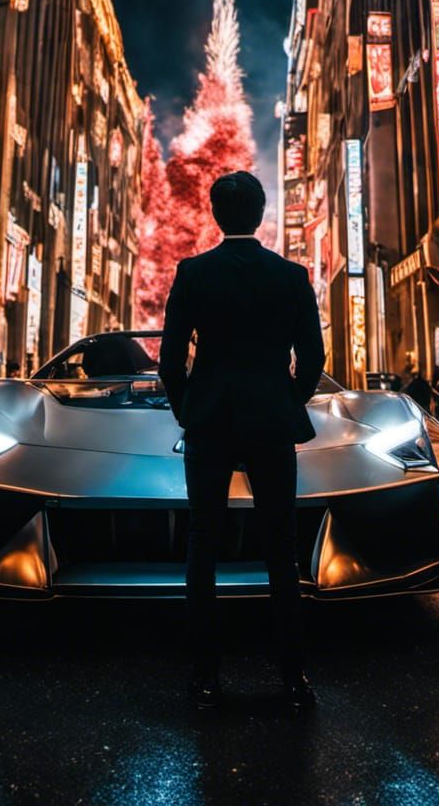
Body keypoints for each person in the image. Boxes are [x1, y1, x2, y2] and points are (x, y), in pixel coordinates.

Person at [159, 171, 324, 710]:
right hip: (272, 421)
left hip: (210, 419)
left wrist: (190, 407)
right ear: (261, 213)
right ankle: (293, 678)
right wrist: (286, 398)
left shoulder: (194, 273)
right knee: (282, 546)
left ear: (215, 213)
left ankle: (205, 678)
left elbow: (170, 358)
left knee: (202, 542)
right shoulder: (291, 276)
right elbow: (315, 359)